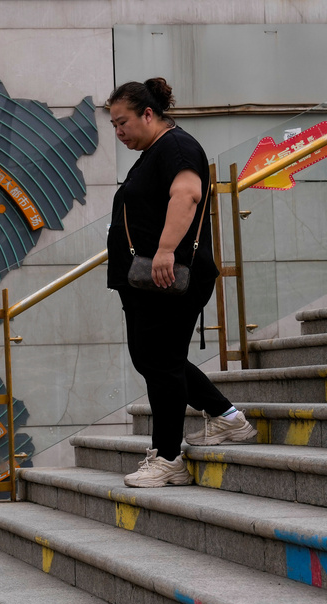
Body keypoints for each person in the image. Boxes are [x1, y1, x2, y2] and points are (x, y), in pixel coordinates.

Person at [106, 78, 256, 488]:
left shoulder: (176, 147)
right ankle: (227, 417)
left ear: (148, 114)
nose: (118, 132)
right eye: (114, 125)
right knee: (153, 359)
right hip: (146, 280)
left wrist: (165, 250)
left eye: (123, 122)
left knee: (160, 362)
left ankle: (169, 456)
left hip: (168, 275)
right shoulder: (154, 151)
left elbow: (187, 195)